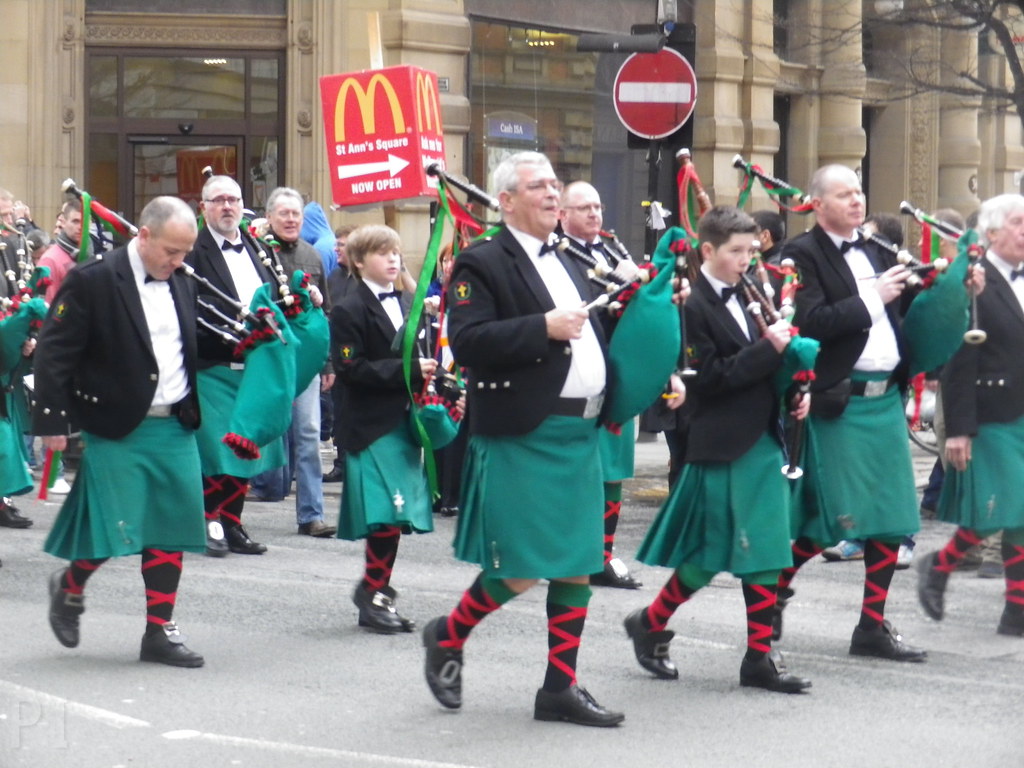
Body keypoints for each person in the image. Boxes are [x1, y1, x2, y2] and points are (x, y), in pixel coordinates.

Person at [422, 151, 660, 727]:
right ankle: (448, 634)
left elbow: (595, 333)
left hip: (582, 432)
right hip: (527, 431)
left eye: (555, 184)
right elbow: (468, 341)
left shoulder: (573, 257)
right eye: (539, 187)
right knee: (523, 566)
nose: (553, 194)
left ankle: (559, 688)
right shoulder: (482, 261)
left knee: (578, 561)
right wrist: (541, 328)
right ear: (506, 201)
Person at [623, 206, 811, 694]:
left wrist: (794, 389)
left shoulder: (750, 290)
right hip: (720, 441)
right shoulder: (690, 305)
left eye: (751, 250)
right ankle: (650, 621)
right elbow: (707, 379)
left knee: (767, 551)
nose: (747, 259)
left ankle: (759, 658)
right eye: (736, 251)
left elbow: (768, 365)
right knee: (707, 556)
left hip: (763, 438)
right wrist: (769, 348)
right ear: (707, 250)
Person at [36, 196, 205, 667]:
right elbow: (54, 350)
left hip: (174, 424)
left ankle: (159, 631)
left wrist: (251, 341)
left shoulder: (182, 280)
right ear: (144, 236)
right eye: (171, 251)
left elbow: (189, 345)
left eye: (185, 252)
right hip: (116, 424)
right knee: (117, 526)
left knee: (171, 527)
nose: (178, 261)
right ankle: (70, 587)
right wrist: (52, 420)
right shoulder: (92, 279)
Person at [773, 164, 927, 662]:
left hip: (885, 401)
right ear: (817, 204)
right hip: (839, 401)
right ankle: (773, 589)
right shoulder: (800, 254)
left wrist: (938, 285)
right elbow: (811, 322)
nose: (857, 201)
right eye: (844, 195)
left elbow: (911, 308)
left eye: (859, 192)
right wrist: (872, 297)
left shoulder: (878, 248)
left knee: (890, 517)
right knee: (831, 519)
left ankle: (872, 626)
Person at [916, 193, 1024, 637]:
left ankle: (1015, 611)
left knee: (1018, 512)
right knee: (1003, 508)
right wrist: (959, 429)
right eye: (1018, 223)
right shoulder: (973, 281)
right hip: (991, 413)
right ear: (992, 233)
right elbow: (959, 359)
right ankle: (940, 566)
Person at [331, 223, 437, 632]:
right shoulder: (348, 308)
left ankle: (374, 593)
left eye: (395, 251)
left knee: (395, 518)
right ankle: (374, 594)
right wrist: (407, 370)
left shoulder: (409, 301)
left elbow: (421, 354)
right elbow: (350, 368)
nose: (393, 258)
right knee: (386, 516)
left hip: (406, 423)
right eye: (382, 252)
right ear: (359, 262)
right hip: (372, 426)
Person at [187, 175, 281, 555]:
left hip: (255, 366)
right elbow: (188, 309)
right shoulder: (193, 251)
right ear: (204, 207)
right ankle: (209, 519)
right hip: (213, 363)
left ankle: (233, 523)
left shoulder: (260, 248)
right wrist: (229, 335)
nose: (227, 206)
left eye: (234, 200)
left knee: (246, 446)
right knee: (217, 448)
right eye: (219, 200)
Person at [559, 180, 642, 589]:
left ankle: (602, 556)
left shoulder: (612, 252)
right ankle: (569, 552)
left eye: (598, 206)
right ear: (563, 214)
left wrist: (641, 288)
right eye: (584, 208)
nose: (594, 214)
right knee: (576, 475)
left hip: (616, 378)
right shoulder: (557, 256)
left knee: (612, 472)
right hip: (575, 377)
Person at [248, 187, 336, 537]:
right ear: (269, 217)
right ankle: (231, 509)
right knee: (260, 430)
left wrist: (327, 364)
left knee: (309, 433)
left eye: (295, 213)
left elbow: (324, 313)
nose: (290, 219)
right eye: (283, 213)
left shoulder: (312, 256)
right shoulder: (255, 252)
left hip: (305, 360)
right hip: (268, 356)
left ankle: (311, 514)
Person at [323, 224, 357, 484]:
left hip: (358, 356)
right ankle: (341, 462)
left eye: (341, 245)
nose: (336, 249)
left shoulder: (365, 279)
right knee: (340, 415)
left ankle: (354, 462)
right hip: (336, 354)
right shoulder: (333, 277)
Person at [38, 198, 88, 303]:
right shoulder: (50, 260)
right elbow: (47, 306)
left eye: (85, 222)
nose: (80, 227)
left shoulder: (89, 255)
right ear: (64, 223)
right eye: (75, 221)